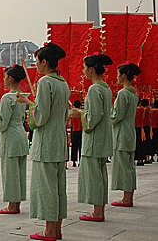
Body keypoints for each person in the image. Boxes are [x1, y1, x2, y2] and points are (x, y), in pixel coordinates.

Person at [16, 42, 70, 241]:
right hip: (59, 138)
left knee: (47, 187)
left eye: (37, 61)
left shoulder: (45, 82)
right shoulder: (62, 82)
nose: (36, 65)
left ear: (45, 62)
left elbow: (41, 116)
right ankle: (57, 228)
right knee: (58, 187)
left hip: (46, 141)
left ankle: (49, 231)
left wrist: (29, 104)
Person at [71, 53, 113, 222]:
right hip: (103, 138)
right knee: (100, 175)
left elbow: (93, 117)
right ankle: (99, 208)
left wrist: (79, 113)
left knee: (94, 176)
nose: (83, 71)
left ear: (90, 69)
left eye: (85, 68)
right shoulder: (106, 88)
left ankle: (97, 211)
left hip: (95, 139)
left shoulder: (95, 89)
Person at [0, 64, 29, 214]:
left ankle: (12, 205)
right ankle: (16, 203)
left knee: (10, 173)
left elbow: (3, 123)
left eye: (5, 77)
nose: (4, 80)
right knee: (19, 172)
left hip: (11, 136)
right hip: (20, 133)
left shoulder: (7, 98)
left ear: (10, 78)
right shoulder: (22, 96)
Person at [110, 62, 141, 208]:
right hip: (130, 132)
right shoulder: (134, 92)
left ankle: (127, 198)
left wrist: (106, 115)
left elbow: (117, 115)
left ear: (123, 75)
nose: (117, 77)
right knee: (129, 166)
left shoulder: (123, 93)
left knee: (124, 166)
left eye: (118, 74)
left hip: (122, 133)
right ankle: (128, 196)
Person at [69, 100, 83, 167]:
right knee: (80, 146)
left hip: (73, 130)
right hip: (80, 130)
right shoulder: (81, 112)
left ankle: (74, 161)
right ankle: (80, 161)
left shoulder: (71, 112)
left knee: (74, 146)